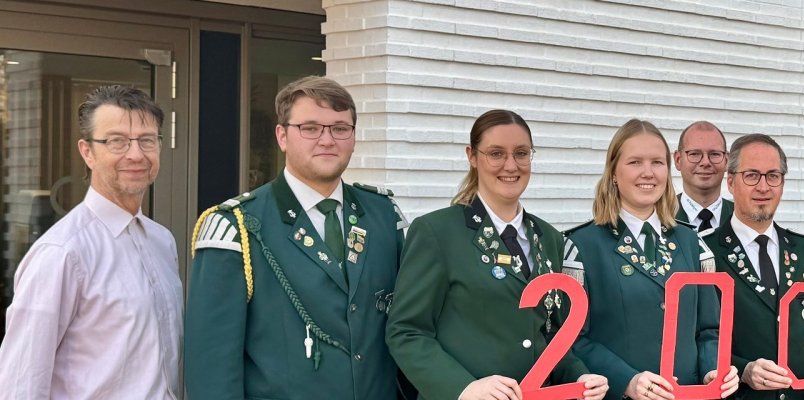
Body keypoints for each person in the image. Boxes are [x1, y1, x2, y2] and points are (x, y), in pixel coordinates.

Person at [184, 76, 410, 399]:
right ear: (282, 136)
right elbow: (212, 371)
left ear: (354, 137)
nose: (327, 140)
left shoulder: (385, 216)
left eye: (340, 128)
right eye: (311, 128)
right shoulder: (235, 228)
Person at [386, 109, 608, 400]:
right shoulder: (437, 232)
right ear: (472, 156)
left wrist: (580, 376)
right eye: (496, 153)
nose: (510, 165)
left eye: (521, 153)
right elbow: (406, 332)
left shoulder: (550, 239)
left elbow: (549, 338)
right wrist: (463, 388)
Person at [0, 86, 179, 399]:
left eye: (147, 140)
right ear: (87, 152)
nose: (135, 154)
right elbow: (21, 384)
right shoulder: (62, 253)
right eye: (116, 141)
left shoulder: (162, 241)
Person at [568, 118, 739, 400]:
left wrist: (712, 370)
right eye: (635, 162)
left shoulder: (692, 243)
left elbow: (709, 328)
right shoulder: (582, 247)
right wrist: (626, 381)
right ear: (613, 171)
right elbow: (573, 341)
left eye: (657, 163)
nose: (648, 173)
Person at [703, 134, 804, 400]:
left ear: (783, 183)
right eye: (752, 175)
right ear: (730, 182)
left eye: (773, 176)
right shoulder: (706, 252)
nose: (763, 187)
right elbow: (697, 336)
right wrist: (743, 369)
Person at [674, 121, 733, 231]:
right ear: (678, 160)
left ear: (727, 161)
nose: (705, 162)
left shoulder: (743, 218)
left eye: (715, 154)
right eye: (694, 154)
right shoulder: (657, 216)